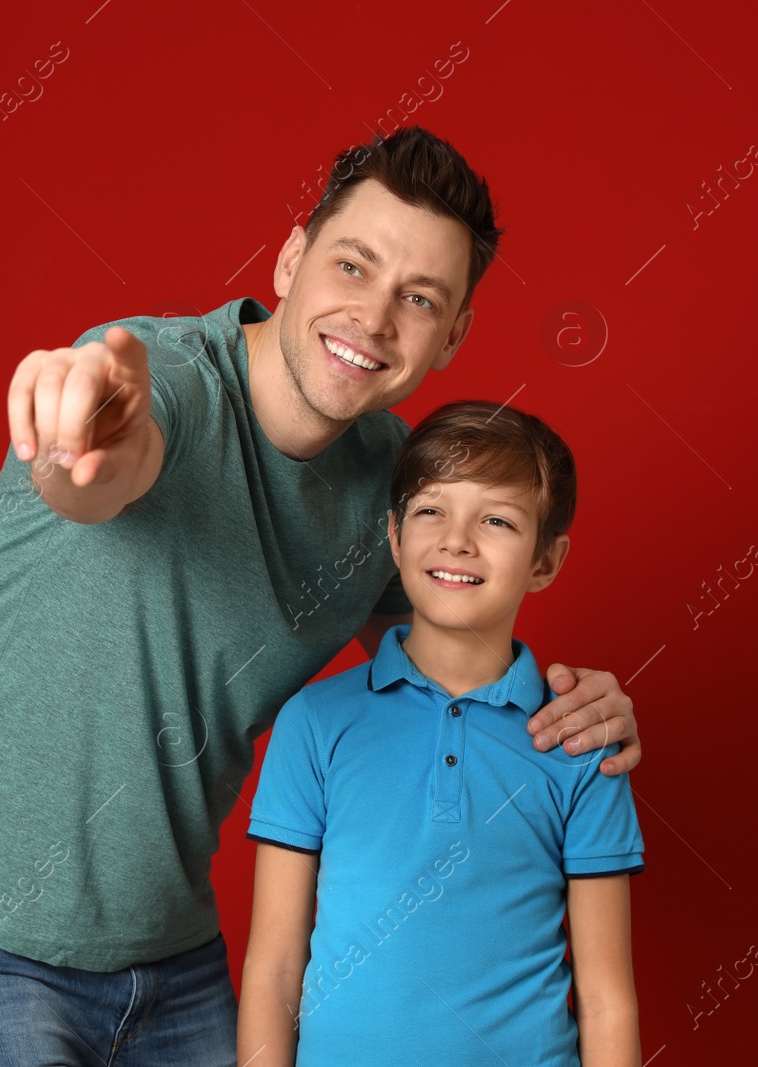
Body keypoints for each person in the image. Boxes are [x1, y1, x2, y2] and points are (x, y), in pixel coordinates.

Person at [0, 126, 642, 1067]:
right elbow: (102, 471)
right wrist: (77, 438)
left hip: (170, 957)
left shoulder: (388, 486)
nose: (374, 317)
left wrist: (582, 708)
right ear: (290, 258)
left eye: (420, 298)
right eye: (352, 265)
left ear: (453, 335)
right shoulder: (166, 382)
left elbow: (453, 652)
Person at [237, 401, 644, 1067]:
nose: (457, 539)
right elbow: (274, 967)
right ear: (394, 536)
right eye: (431, 510)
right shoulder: (315, 723)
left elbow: (607, 998)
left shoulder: (578, 741)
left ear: (546, 560)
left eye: (497, 519)